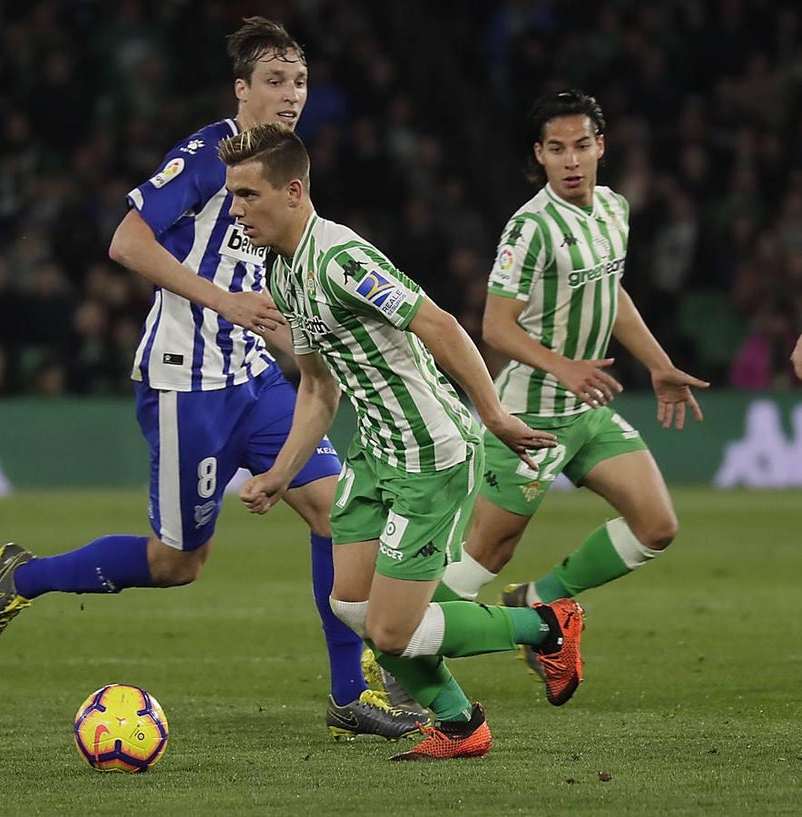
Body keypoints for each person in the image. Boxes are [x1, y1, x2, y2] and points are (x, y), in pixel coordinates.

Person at [0, 18, 424, 740]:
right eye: (275, 81)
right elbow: (126, 240)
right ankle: (21, 577)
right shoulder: (208, 154)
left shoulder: (283, 161)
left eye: (300, 81)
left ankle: (350, 692)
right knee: (178, 562)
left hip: (253, 375)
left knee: (335, 513)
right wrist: (228, 301)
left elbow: (261, 258)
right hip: (188, 381)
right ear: (241, 90)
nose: (291, 94)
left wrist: (282, 319)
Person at [219, 122, 585, 760]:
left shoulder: (340, 260)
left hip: (428, 453)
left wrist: (493, 413)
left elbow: (438, 323)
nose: (236, 209)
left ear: (293, 192)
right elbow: (316, 388)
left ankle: (547, 626)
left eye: (248, 195)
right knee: (351, 607)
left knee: (391, 631)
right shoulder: (280, 272)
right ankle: (461, 725)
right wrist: (281, 473)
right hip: (373, 450)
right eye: (233, 195)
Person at [436, 90, 709, 679]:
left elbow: (610, 296)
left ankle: (540, 600)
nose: (571, 160)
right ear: (540, 154)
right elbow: (495, 327)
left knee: (656, 526)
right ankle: (401, 653)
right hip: (529, 418)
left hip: (587, 410)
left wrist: (658, 364)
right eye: (556, 149)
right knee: (484, 555)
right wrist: (563, 366)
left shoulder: (613, 209)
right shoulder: (528, 228)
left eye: (582, 146)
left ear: (600, 146)